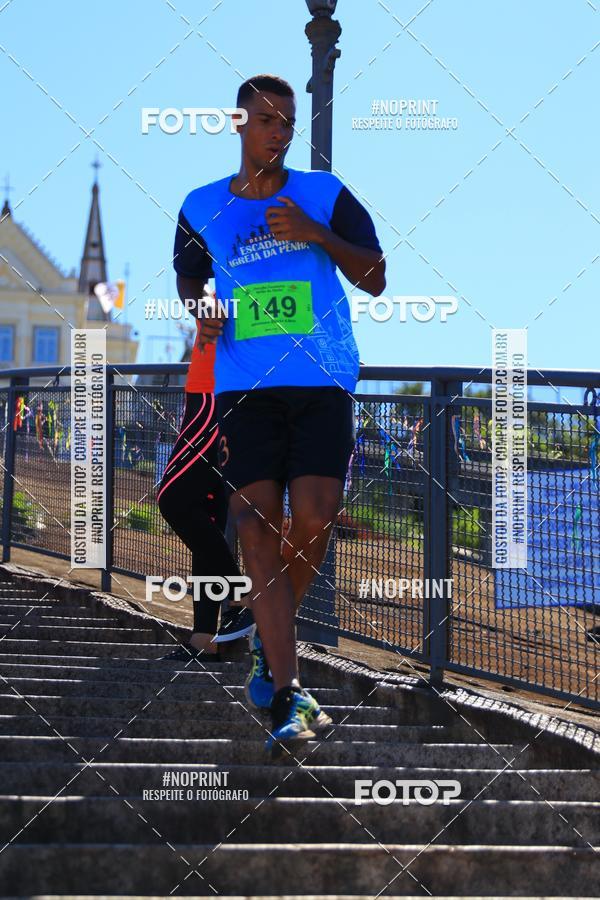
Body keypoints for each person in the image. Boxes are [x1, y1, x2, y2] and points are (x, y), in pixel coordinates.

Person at [173, 74, 385, 757]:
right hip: (244, 384)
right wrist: (201, 307)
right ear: (240, 124)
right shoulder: (201, 204)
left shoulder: (324, 193)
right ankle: (290, 691)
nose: (279, 132)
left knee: (316, 518)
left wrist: (317, 234)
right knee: (253, 524)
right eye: (266, 120)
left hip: (322, 376)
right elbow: (188, 274)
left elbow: (376, 275)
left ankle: (268, 645)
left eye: (288, 123)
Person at [156, 318, 253, 661]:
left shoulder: (235, 286)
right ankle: (204, 637)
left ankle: (242, 595)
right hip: (210, 392)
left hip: (213, 395)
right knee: (207, 518)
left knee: (173, 499)